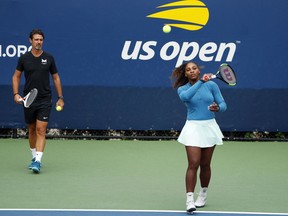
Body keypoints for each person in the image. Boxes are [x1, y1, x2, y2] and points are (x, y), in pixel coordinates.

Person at [171, 62, 227, 214]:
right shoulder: (183, 89)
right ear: (186, 74)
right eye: (188, 70)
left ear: (198, 70)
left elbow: (223, 104)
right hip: (193, 127)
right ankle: (189, 200)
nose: (192, 71)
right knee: (193, 163)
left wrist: (219, 108)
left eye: (194, 68)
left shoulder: (212, 86)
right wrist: (202, 81)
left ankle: (203, 194)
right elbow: (187, 97)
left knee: (205, 164)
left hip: (210, 127)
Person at [12, 29, 64, 174]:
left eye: (41, 40)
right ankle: (34, 157)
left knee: (41, 130)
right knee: (32, 129)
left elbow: (55, 78)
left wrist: (60, 97)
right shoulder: (24, 58)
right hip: (29, 99)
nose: (38, 42)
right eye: (36, 39)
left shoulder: (49, 58)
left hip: (45, 99)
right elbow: (16, 76)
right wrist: (16, 94)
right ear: (30, 40)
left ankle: (38, 161)